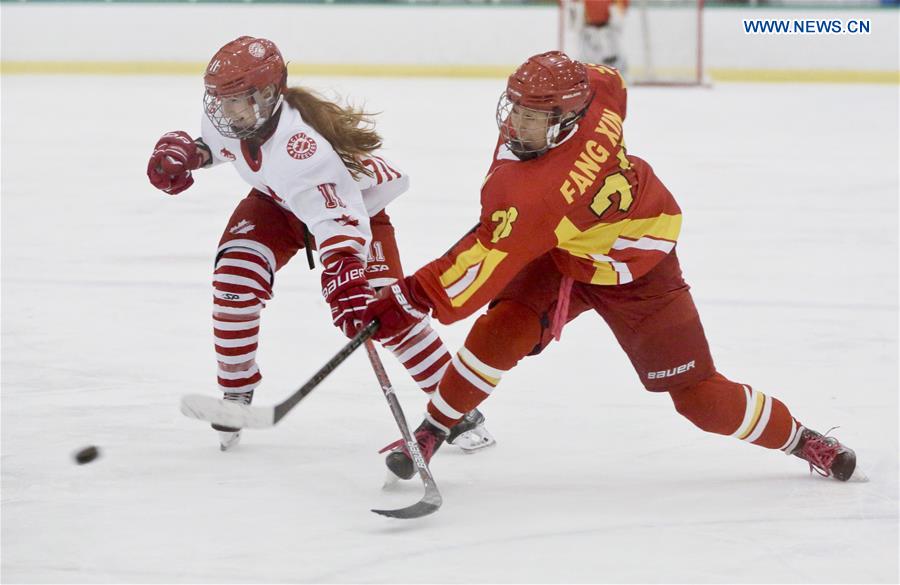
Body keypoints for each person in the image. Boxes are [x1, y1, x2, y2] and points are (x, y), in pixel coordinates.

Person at [365, 51, 859, 483]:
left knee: (700, 400)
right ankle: (432, 432)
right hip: (566, 251)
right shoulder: (598, 95)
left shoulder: (534, 196)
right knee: (502, 328)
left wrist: (409, 299)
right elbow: (608, 78)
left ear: (565, 120)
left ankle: (802, 440)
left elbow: (481, 261)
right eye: (513, 106)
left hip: (638, 267)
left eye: (532, 115)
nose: (516, 123)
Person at [146, 36, 494, 452]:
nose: (227, 111)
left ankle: (457, 409)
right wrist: (192, 154)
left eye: (237, 100)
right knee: (234, 281)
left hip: (355, 213)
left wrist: (345, 271)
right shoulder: (239, 118)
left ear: (269, 94)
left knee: (385, 309)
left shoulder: (303, 148)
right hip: (277, 204)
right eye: (222, 101)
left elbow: (336, 219)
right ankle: (236, 394)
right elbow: (223, 146)